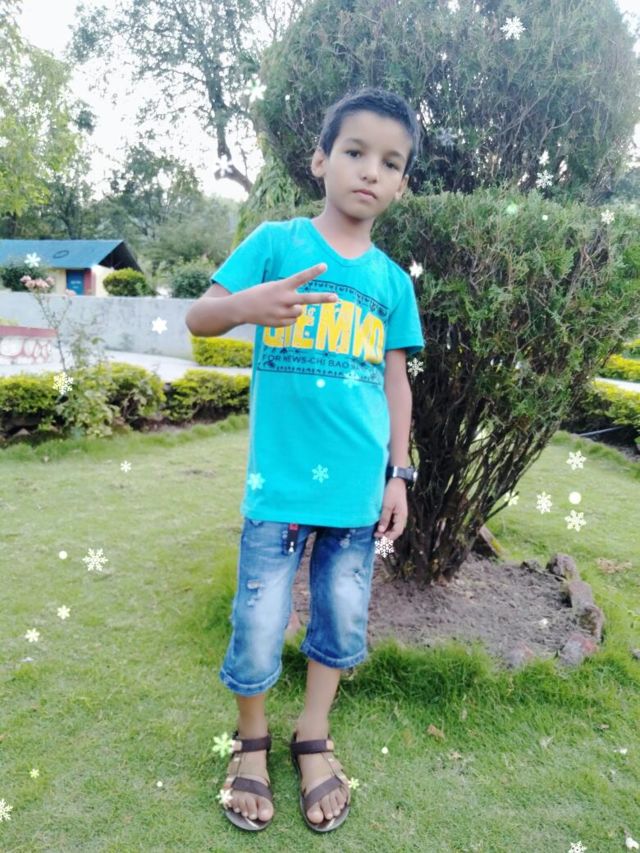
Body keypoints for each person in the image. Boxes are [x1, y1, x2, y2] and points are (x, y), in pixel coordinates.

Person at [185, 86, 424, 833]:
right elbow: (200, 315)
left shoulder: (391, 282)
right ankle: (251, 739)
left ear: (401, 183)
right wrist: (248, 306)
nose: (371, 171)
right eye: (355, 151)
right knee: (258, 620)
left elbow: (395, 382)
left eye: (391, 162)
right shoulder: (278, 244)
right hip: (279, 486)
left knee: (342, 618)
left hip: (356, 491)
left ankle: (312, 735)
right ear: (321, 160)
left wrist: (399, 473)